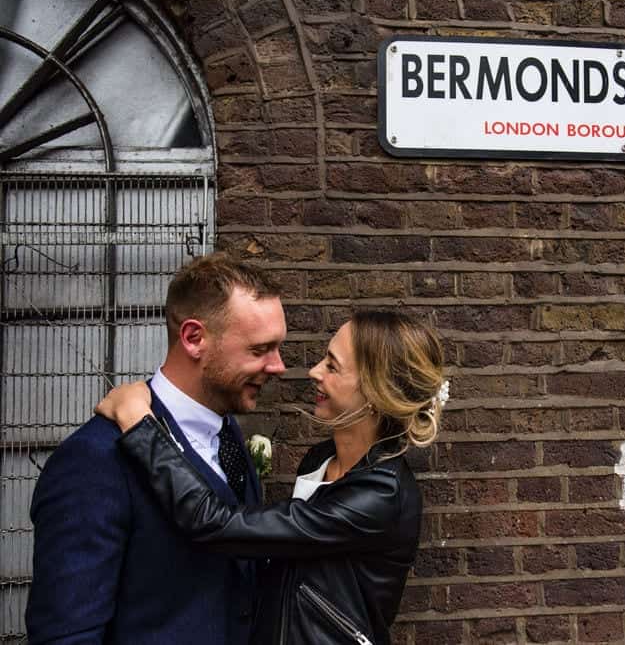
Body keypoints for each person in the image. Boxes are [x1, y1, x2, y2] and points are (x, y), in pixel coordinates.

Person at [94, 309, 445, 645]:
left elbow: (215, 524)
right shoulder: (321, 458)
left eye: (332, 367)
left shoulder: (381, 495)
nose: (314, 372)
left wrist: (140, 425)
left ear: (374, 392)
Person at [26, 253, 287, 644]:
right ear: (194, 338)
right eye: (259, 350)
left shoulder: (230, 435)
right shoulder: (95, 461)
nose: (278, 365)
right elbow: (66, 635)